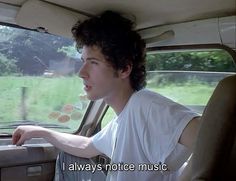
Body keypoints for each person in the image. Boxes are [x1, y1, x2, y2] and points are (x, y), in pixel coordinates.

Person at [12, 11, 200, 181]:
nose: (81, 73)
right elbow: (87, 146)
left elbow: (209, 137)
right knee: (68, 156)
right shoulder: (122, 120)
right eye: (83, 61)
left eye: (93, 63)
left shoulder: (144, 105)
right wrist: (40, 131)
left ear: (124, 68)